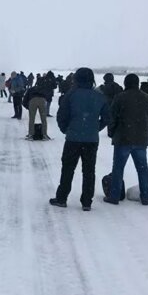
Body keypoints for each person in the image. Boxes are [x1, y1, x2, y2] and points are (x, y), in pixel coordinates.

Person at [49, 68, 110, 211]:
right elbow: (107, 117)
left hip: (73, 138)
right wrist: (95, 128)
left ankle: (62, 198)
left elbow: (61, 116)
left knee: (68, 169)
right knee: (89, 171)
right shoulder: (99, 96)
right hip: (92, 140)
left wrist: (67, 129)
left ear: (76, 79)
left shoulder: (71, 95)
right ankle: (87, 202)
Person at [105, 74, 148, 205]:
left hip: (122, 138)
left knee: (118, 169)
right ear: (137, 83)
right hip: (141, 139)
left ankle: (114, 196)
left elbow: (112, 118)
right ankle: (145, 196)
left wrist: (111, 133)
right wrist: (143, 130)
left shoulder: (120, 97)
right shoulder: (147, 98)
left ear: (126, 83)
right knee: (142, 169)